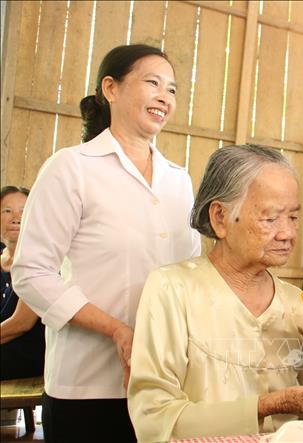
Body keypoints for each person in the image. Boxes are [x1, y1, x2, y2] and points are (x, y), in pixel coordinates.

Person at [12, 44, 201, 442]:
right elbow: (31, 273)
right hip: (87, 385)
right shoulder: (71, 168)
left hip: (165, 384)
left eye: (172, 89)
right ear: (110, 89)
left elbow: (191, 273)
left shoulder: (178, 179)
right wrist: (117, 330)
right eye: (153, 82)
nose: (165, 97)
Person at [127, 145, 303, 442]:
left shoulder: (298, 303)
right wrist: (269, 405)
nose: (287, 234)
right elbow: (154, 419)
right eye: (270, 219)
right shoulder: (171, 289)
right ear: (220, 217)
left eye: (293, 218)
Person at [1, 186, 45, 381]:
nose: (16, 218)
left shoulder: (39, 260)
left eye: (24, 210)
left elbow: (22, 323)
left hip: (25, 353)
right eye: (7, 211)